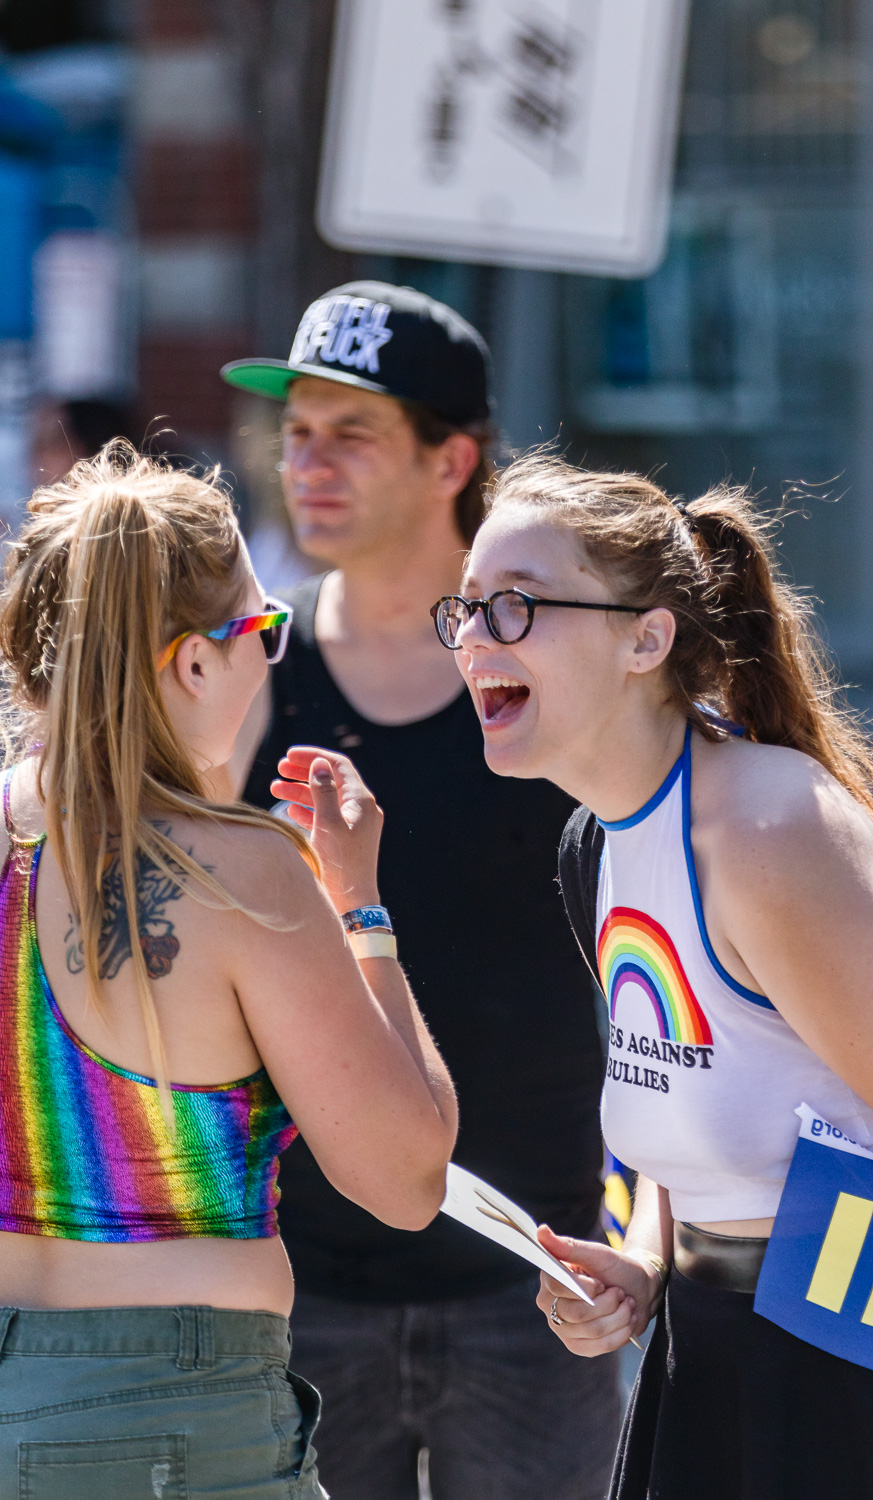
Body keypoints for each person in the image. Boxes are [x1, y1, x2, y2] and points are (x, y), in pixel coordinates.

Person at [434, 452, 873, 1497]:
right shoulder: (597, 841)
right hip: (712, 1354)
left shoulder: (766, 834)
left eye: (515, 604)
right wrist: (642, 1266)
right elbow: (702, 1100)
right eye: (465, 608)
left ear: (646, 639)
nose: (473, 637)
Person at [220, 283, 617, 1499]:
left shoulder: (548, 669)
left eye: (352, 433)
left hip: (538, 1280)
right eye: (296, 433)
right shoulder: (244, 670)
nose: (307, 463)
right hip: (301, 1283)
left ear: (452, 459)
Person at [0, 442, 457, 1497]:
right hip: (177, 1412)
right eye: (263, 628)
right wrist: (360, 907)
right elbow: (404, 1178)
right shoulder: (239, 870)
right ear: (196, 664)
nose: (271, 658)